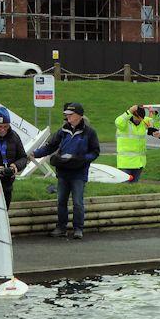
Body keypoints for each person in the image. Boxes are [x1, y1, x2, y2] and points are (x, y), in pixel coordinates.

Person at [30, 102, 100, 239]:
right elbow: (50, 146)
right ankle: (61, 227)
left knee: (78, 202)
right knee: (61, 201)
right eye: (66, 114)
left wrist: (81, 159)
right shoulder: (62, 131)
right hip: (63, 173)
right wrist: (35, 153)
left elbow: (95, 152)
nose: (67, 116)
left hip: (79, 173)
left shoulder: (90, 132)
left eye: (70, 114)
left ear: (79, 116)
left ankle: (78, 229)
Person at [115, 105, 159, 182]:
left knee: (134, 186)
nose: (139, 121)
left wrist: (155, 114)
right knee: (125, 186)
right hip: (125, 163)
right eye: (137, 119)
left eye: (140, 119)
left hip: (139, 163)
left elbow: (157, 126)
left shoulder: (143, 121)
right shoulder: (125, 123)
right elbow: (118, 122)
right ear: (132, 115)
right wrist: (129, 111)